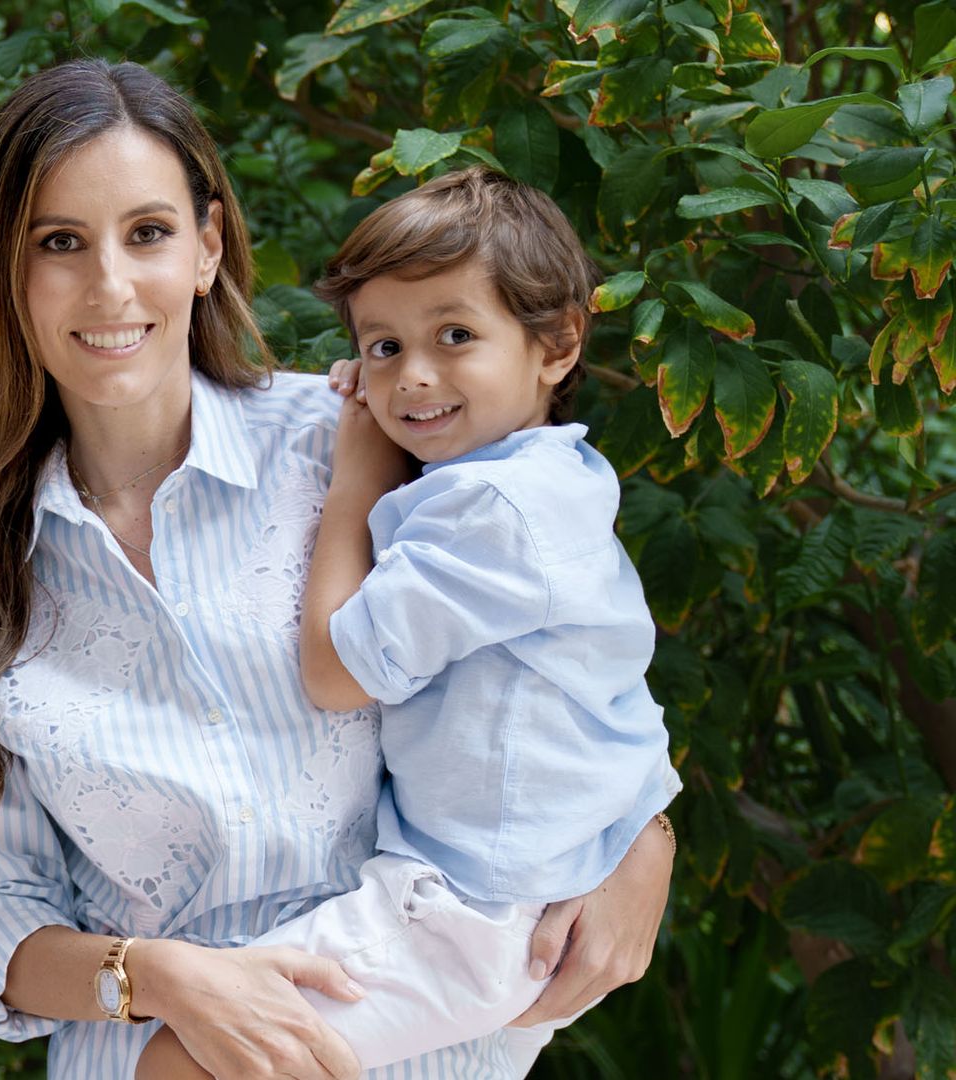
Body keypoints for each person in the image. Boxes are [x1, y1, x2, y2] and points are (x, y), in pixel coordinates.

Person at [0, 58, 678, 1080]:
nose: (109, 286)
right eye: (59, 243)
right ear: (9, 273)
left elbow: (565, 655)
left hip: (422, 1044)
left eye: (147, 233)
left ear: (207, 245)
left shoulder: (368, 436)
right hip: (149, 1054)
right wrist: (166, 979)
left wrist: (644, 843)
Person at [136, 169, 681, 1078]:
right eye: (382, 347)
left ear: (557, 344)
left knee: (188, 1056)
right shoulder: (549, 480)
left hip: (473, 905)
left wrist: (356, 480)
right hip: (510, 888)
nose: (412, 376)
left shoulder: (496, 512)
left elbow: (335, 671)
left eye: (456, 336)